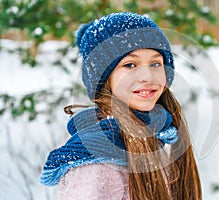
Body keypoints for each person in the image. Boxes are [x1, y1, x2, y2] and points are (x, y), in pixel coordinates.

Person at [40, 12, 202, 200]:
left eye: (156, 63)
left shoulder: (154, 137)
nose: (148, 76)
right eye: (130, 65)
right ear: (103, 78)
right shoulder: (97, 163)